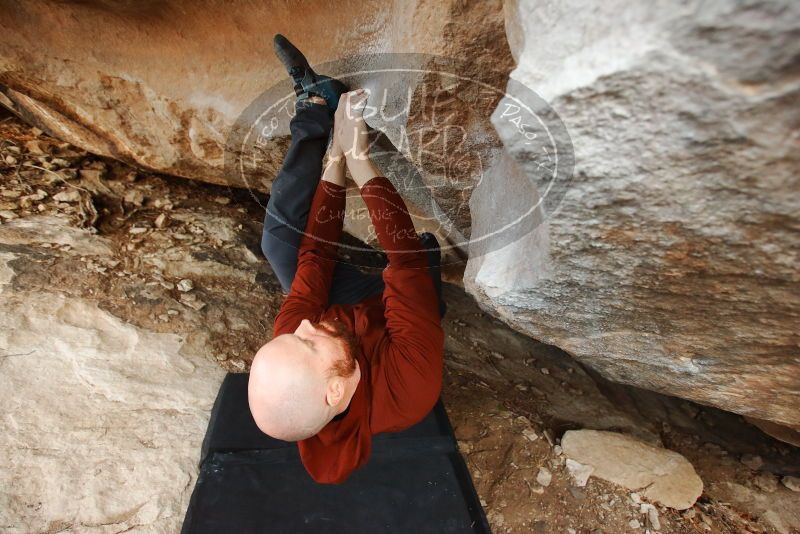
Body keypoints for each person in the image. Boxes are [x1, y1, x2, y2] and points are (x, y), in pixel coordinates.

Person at [248, 35, 446, 484]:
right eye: (306, 343)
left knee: (282, 245)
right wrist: (360, 157)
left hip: (351, 316)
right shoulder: (408, 389)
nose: (299, 325)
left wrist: (335, 159)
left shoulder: (298, 334)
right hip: (397, 319)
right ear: (335, 391)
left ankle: (316, 104)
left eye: (291, 335)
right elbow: (406, 263)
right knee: (413, 264)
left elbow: (316, 254)